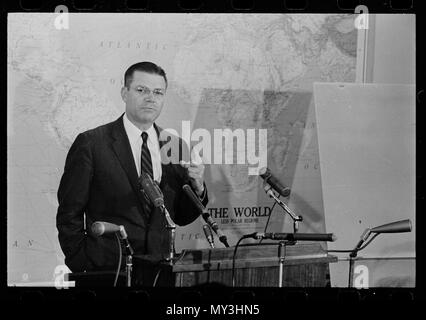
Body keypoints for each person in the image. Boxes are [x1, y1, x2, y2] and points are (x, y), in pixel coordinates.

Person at [56, 62, 208, 284]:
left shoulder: (175, 146)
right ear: (124, 93)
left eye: (158, 92)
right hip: (107, 271)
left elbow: (181, 216)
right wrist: (83, 263)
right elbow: (69, 213)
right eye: (141, 90)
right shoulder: (92, 144)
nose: (150, 98)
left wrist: (198, 187)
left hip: (160, 271)